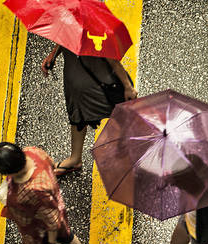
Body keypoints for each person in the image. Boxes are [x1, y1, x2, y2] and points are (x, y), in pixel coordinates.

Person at [41, 45, 137, 177]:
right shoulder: (71, 24)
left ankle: (131, 147)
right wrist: (53, 54)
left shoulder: (93, 28)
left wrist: (127, 87)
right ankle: (75, 159)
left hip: (98, 82)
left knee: (120, 111)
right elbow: (65, 37)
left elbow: (112, 60)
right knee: (78, 117)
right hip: (78, 84)